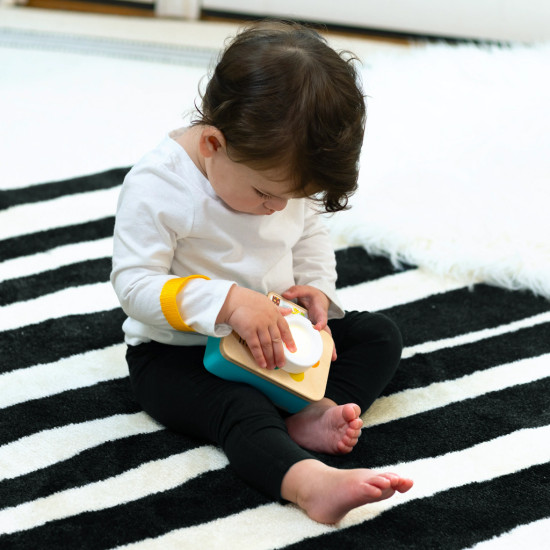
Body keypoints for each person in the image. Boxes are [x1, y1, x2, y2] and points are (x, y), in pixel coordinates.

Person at [111, 20, 412, 525]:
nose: (278, 209)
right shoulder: (160, 186)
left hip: (277, 341)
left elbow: (311, 234)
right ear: (212, 144)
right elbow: (134, 286)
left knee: (380, 336)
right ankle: (307, 482)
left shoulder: (279, 178)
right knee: (239, 408)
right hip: (180, 356)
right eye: (265, 195)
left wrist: (317, 291)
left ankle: (311, 411)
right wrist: (228, 304)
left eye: (291, 197)